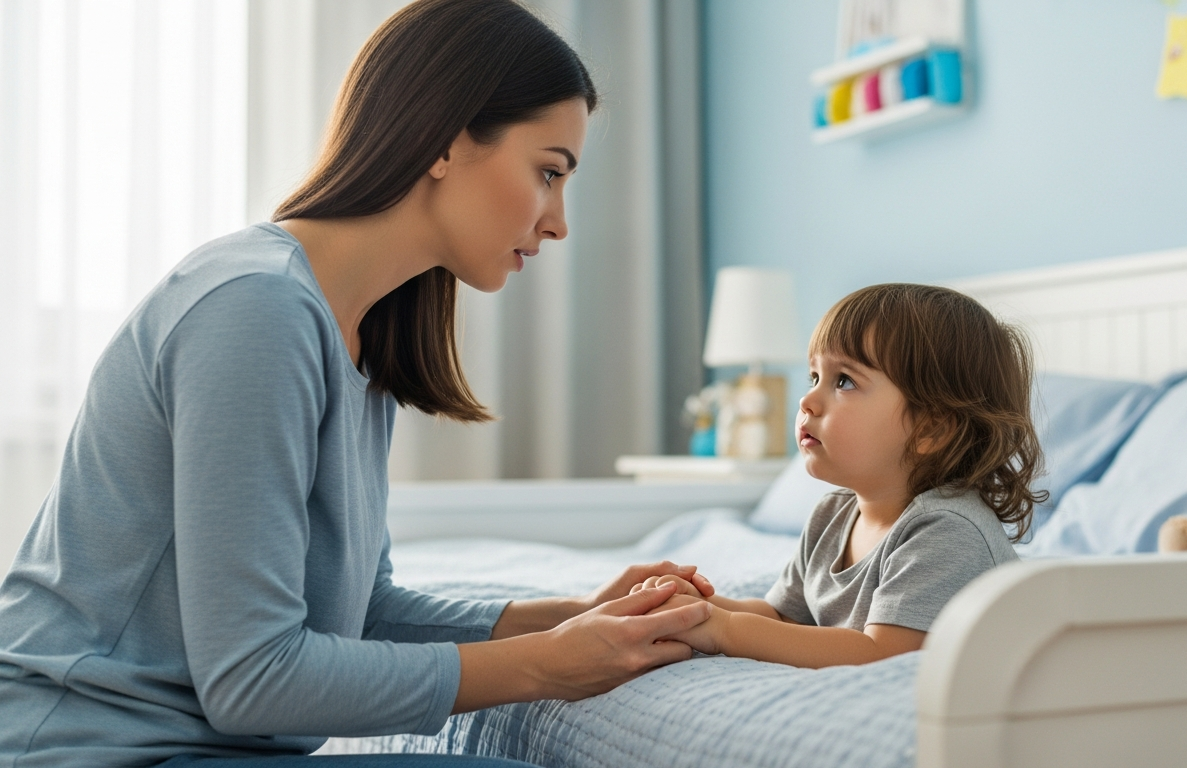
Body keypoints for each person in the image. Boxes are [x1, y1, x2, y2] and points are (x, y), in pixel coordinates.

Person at [0, 1, 714, 765]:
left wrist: (567, 619)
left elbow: (360, 614)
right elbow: (252, 679)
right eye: (547, 172)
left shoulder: (358, 334)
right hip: (85, 746)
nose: (558, 221)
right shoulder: (256, 310)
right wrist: (544, 666)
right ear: (446, 141)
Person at [634, 284, 1046, 667]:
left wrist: (722, 631)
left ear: (931, 429)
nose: (807, 399)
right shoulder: (832, 514)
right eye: (815, 377)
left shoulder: (946, 531)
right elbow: (782, 616)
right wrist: (699, 609)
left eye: (844, 381)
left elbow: (880, 655)